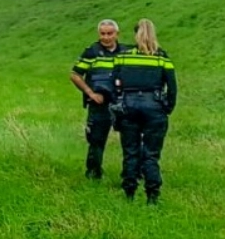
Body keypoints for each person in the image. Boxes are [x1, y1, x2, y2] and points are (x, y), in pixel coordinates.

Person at [112, 19, 177, 205]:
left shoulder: (123, 56)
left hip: (129, 106)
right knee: (151, 154)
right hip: (154, 106)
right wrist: (167, 107)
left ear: (135, 34)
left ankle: (129, 193)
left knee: (130, 152)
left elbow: (114, 83)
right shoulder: (162, 57)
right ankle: (152, 196)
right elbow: (172, 87)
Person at [69, 19, 127, 180]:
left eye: (110, 33)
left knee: (130, 141)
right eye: (103, 34)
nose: (106, 37)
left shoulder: (126, 51)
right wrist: (90, 92)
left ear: (117, 34)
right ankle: (93, 174)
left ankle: (130, 174)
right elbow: (74, 75)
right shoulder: (92, 51)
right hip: (99, 105)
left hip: (121, 103)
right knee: (96, 140)